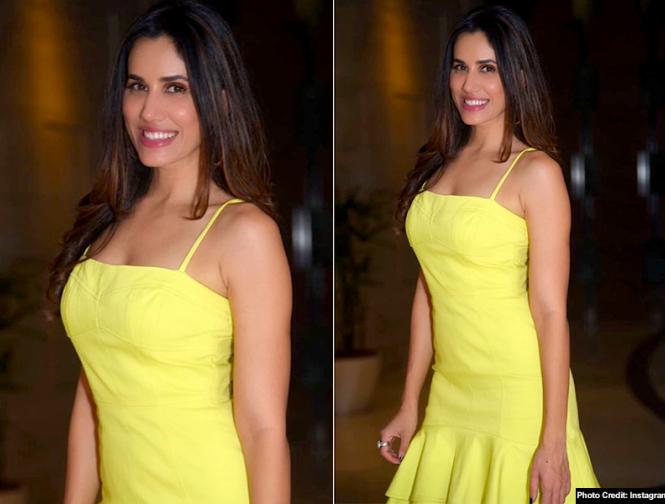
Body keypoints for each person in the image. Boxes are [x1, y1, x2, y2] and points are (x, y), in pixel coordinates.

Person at [46, 1, 291, 502]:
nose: (148, 111)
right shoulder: (108, 219)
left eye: (175, 88)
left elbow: (263, 427)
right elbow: (94, 390)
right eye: (137, 86)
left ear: (220, 100)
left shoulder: (244, 232)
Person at [379, 6, 599, 504]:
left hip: (516, 390)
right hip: (450, 390)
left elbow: (550, 311)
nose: (468, 84)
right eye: (459, 67)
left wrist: (553, 439)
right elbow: (429, 292)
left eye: (487, 68)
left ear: (515, 76)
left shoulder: (536, 173)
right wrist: (410, 402)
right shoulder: (439, 164)